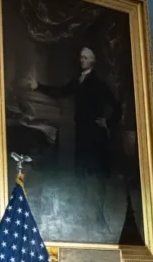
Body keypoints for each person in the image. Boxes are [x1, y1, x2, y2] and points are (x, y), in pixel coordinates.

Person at [26, 47, 122, 177]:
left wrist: (107, 122)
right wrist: (38, 86)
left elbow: (116, 106)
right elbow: (61, 92)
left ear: (92, 61)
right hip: (81, 129)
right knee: (81, 170)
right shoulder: (78, 80)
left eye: (85, 58)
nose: (82, 60)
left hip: (95, 132)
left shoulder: (99, 83)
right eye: (81, 57)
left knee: (95, 171)